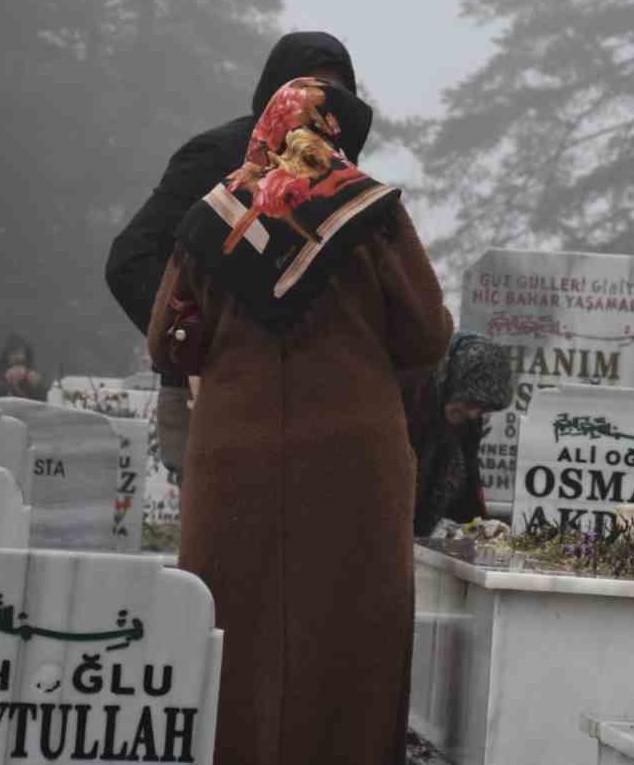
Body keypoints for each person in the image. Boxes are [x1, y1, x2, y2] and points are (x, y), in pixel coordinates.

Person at [148, 76, 452, 765]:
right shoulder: (371, 213)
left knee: (233, 631)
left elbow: (168, 338)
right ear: (339, 131)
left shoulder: (213, 215)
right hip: (353, 462)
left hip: (234, 458)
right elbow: (427, 339)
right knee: (351, 640)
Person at [106, 31, 359, 474]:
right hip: (212, 398)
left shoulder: (344, 179)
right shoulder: (218, 156)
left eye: (335, 92)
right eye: (307, 88)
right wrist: (197, 352)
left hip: (308, 406)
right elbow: (132, 258)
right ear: (278, 90)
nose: (320, 102)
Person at [404, 333, 514, 536]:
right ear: (451, 383)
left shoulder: (466, 424)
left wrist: (478, 529)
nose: (473, 414)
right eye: (470, 402)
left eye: (483, 409)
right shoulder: (408, 409)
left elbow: (468, 490)